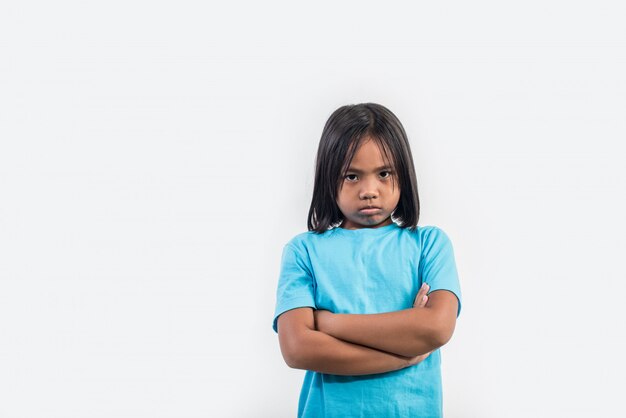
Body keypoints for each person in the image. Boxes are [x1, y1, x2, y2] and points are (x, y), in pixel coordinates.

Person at [272, 103, 462, 418]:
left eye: (384, 173)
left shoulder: (429, 244)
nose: (369, 191)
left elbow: (437, 327)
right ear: (329, 178)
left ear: (403, 173)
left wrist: (328, 323)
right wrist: (405, 355)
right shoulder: (303, 251)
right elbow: (297, 348)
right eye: (352, 176)